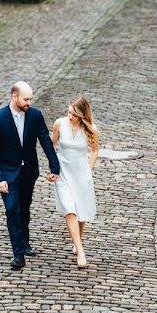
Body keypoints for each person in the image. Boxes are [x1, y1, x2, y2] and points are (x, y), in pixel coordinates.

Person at [0, 81, 60, 269]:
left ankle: (25, 243)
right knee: (12, 209)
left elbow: (44, 139)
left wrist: (55, 167)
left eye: (30, 99)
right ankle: (18, 254)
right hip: (8, 174)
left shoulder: (35, 115)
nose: (29, 102)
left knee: (25, 206)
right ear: (14, 97)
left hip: (28, 171)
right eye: (26, 99)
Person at [51, 96, 98, 269]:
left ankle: (77, 239)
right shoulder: (59, 124)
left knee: (81, 210)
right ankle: (80, 250)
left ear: (82, 115)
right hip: (63, 173)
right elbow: (52, 146)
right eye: (69, 112)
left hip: (81, 173)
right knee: (70, 211)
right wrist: (53, 170)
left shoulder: (91, 129)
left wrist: (89, 169)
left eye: (74, 114)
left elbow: (94, 151)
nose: (70, 116)